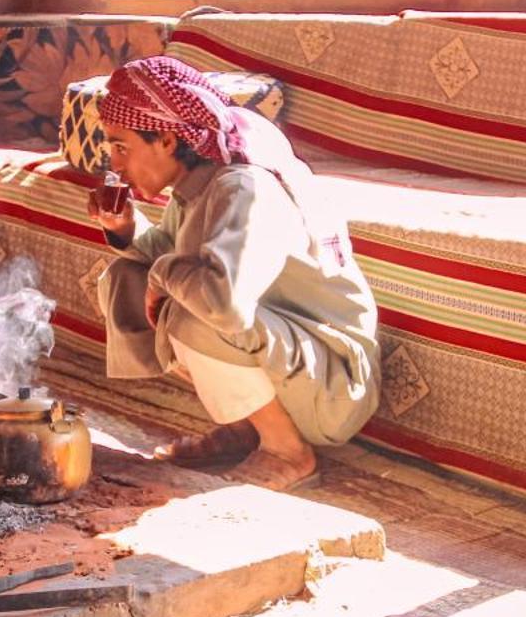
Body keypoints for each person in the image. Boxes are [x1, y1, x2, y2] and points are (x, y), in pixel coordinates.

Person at [85, 56, 379, 491]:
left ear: (166, 139)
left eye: (120, 146)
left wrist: (164, 274)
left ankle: (288, 453)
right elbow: (169, 256)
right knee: (130, 276)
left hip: (333, 386)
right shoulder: (199, 183)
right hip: (295, 358)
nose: (114, 163)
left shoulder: (242, 188)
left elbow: (224, 305)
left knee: (193, 313)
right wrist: (126, 230)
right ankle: (250, 430)